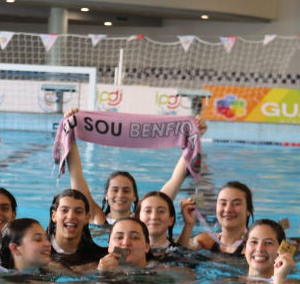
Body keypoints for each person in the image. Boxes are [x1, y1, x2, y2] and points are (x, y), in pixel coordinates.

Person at [63, 109, 207, 226]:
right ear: (106, 195)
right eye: (115, 190)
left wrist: (194, 137)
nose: (120, 195)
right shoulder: (95, 217)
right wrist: (70, 129)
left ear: (134, 197)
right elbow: (76, 175)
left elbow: (176, 179)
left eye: (126, 190)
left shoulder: (145, 219)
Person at [178, 181, 254, 256]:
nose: (228, 209)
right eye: (223, 203)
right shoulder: (205, 241)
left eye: (236, 204)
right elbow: (180, 254)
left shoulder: (253, 248)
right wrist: (188, 225)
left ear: (249, 210)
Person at [46, 189, 108, 268]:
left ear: (87, 218)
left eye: (78, 211)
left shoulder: (99, 257)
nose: (71, 216)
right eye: (64, 210)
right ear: (54, 216)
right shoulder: (38, 252)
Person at [243, 219, 300, 284]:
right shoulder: (231, 281)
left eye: (269, 242)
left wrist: (279, 277)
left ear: (281, 250)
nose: (260, 249)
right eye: (254, 242)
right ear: (244, 249)